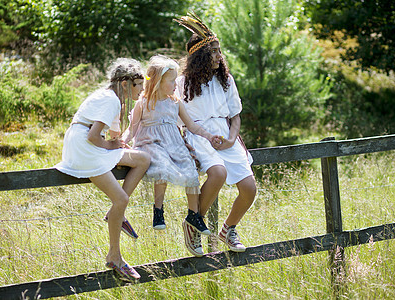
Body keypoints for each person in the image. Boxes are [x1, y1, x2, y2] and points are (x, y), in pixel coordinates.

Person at [55, 58, 150, 279]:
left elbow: (114, 135)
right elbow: (93, 136)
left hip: (84, 144)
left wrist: (115, 141)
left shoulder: (111, 98)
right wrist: (110, 145)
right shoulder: (110, 101)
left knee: (142, 159)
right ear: (125, 83)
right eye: (139, 84)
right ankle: (114, 256)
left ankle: (114, 214)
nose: (142, 89)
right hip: (85, 147)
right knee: (121, 200)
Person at [175, 13, 257, 254]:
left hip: (226, 134)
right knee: (218, 173)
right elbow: (178, 116)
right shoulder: (182, 83)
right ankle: (194, 223)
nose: (219, 56)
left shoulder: (226, 80)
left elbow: (236, 115)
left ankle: (228, 229)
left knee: (249, 188)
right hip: (198, 134)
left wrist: (232, 138)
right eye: (213, 52)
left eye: (219, 51)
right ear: (200, 56)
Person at [123, 55, 220, 257]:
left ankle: (194, 215)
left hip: (174, 144)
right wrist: (122, 141)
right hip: (151, 143)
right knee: (162, 167)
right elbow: (132, 130)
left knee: (191, 170)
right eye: (171, 81)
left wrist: (209, 136)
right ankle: (158, 211)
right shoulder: (144, 102)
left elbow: (191, 125)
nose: (175, 85)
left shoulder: (175, 103)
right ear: (158, 81)